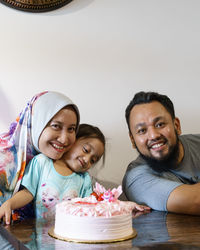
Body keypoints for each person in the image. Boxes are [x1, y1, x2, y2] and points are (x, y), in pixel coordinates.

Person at [123, 91, 200, 215]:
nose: (153, 135)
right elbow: (196, 201)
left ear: (177, 125)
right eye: (142, 130)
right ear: (133, 140)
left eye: (160, 124)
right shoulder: (136, 179)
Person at [0, 91, 80, 207]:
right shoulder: (4, 160)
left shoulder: (64, 167)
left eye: (71, 129)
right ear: (36, 123)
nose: (64, 140)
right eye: (56, 126)